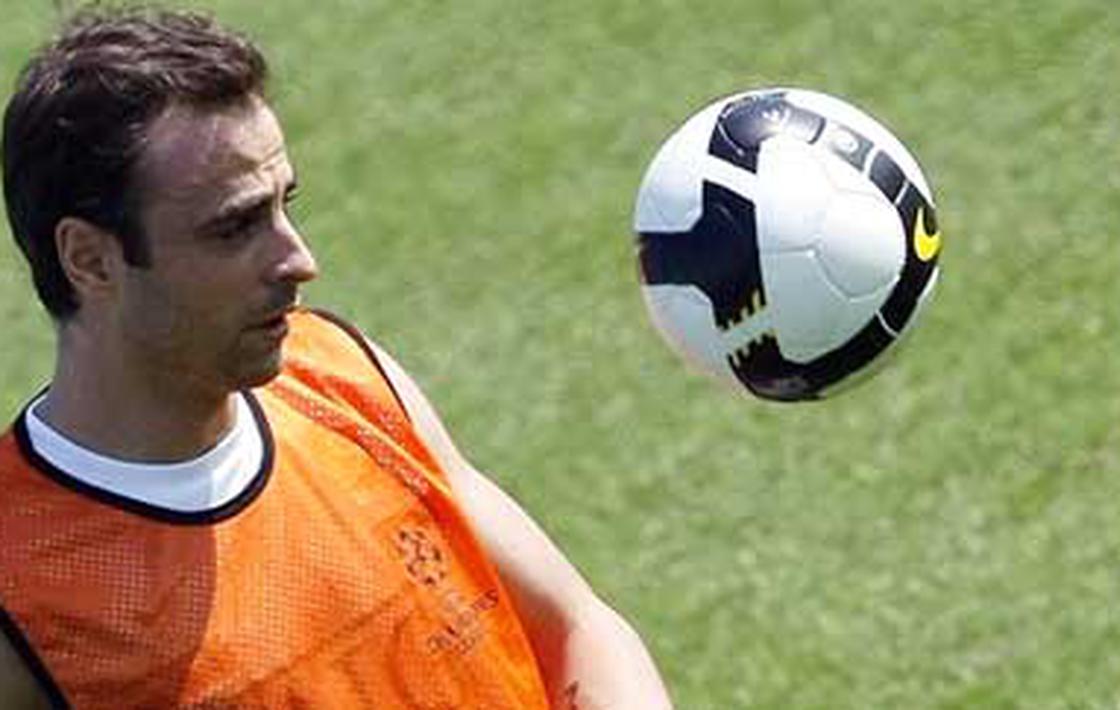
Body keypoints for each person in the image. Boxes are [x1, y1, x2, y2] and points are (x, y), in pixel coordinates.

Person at [0, 7, 672, 709]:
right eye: (234, 227)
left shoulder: (344, 377)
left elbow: (575, 626)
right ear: (89, 259)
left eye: (285, 204)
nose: (299, 260)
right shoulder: (19, 582)